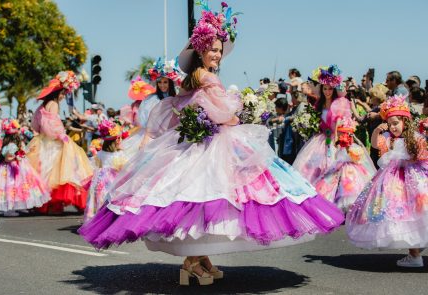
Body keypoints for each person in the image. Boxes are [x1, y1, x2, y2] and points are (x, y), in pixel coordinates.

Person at [79, 2, 344, 286]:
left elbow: (183, 109)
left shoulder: (191, 79)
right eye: (212, 49)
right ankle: (193, 262)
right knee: (209, 199)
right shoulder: (206, 76)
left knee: (199, 201)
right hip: (210, 144)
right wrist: (242, 112)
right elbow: (219, 112)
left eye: (219, 50)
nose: (217, 54)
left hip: (195, 144)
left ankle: (199, 260)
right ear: (200, 51)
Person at [346, 94, 428, 267]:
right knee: (402, 214)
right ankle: (414, 254)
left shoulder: (415, 138)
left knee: (418, 214)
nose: (393, 127)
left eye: (396, 123)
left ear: (405, 121)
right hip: (393, 181)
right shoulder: (389, 139)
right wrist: (376, 130)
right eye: (390, 124)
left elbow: (422, 156)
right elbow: (376, 145)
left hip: (414, 180)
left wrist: (412, 158)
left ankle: (416, 252)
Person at [293, 65, 375, 189]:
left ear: (334, 89)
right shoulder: (318, 104)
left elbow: (338, 122)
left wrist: (336, 138)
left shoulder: (339, 103)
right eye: (325, 89)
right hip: (320, 139)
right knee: (315, 168)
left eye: (330, 89)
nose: (327, 92)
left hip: (335, 139)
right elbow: (318, 121)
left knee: (334, 167)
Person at [27, 71, 93, 214]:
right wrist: (62, 137)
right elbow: (53, 126)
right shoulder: (54, 105)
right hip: (54, 143)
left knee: (44, 174)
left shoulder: (41, 107)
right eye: (63, 93)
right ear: (57, 92)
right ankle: (54, 205)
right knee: (62, 173)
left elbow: (36, 126)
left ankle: (43, 204)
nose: (64, 96)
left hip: (41, 142)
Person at [121, 58, 182, 158]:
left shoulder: (176, 98)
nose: (162, 85)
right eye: (160, 82)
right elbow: (149, 122)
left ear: (170, 83)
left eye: (165, 82)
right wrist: (145, 140)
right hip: (153, 137)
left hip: (171, 137)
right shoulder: (152, 99)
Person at [0, 119, 50, 216]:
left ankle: (21, 205)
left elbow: (22, 151)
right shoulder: (8, 145)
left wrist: (24, 153)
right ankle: (9, 209)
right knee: (10, 187)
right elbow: (7, 158)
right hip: (9, 169)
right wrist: (15, 156)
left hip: (20, 166)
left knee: (21, 186)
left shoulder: (18, 142)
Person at [314, 117, 376, 211]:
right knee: (333, 182)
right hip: (340, 166)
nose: (343, 136)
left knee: (350, 183)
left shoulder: (354, 147)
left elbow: (358, 158)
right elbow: (337, 154)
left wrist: (349, 154)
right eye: (341, 134)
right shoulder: (340, 146)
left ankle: (352, 204)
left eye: (345, 134)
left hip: (351, 169)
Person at [83, 120, 128, 221]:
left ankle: (95, 219)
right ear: (117, 140)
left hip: (99, 181)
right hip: (113, 181)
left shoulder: (99, 154)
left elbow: (93, 165)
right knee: (111, 200)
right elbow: (125, 169)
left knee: (99, 200)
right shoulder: (119, 155)